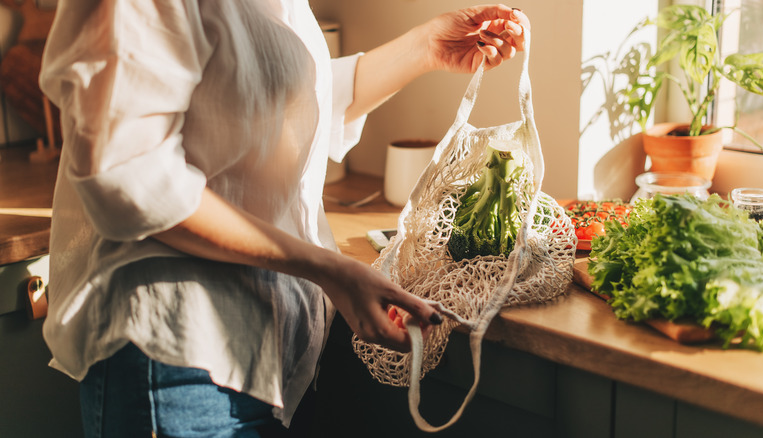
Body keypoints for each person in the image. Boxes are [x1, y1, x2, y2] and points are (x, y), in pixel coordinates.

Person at [38, 1, 528, 436]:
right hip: (178, 363)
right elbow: (126, 174)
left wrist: (426, 46)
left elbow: (276, 99)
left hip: (272, 361)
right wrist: (327, 267)